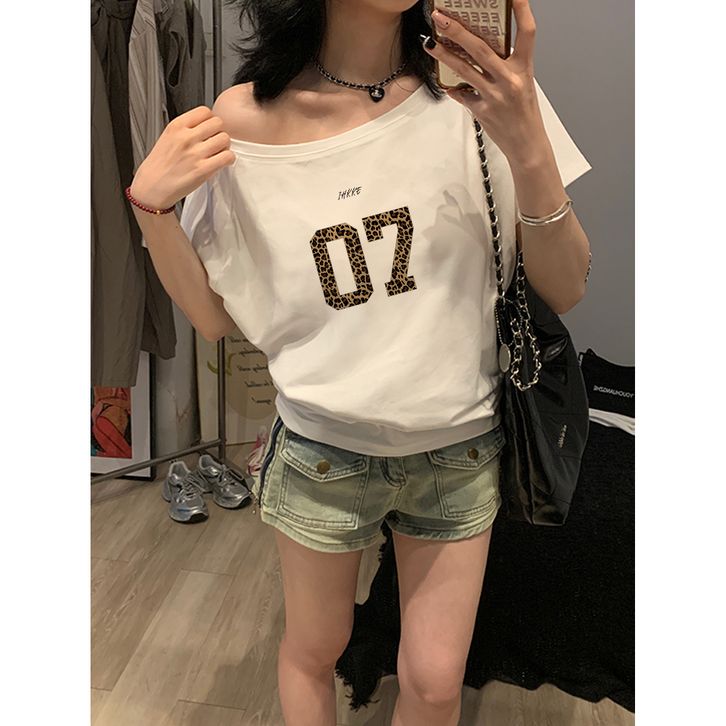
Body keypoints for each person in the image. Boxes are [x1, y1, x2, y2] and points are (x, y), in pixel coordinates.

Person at [128, 2, 592, 724]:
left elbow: (566, 285)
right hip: (322, 450)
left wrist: (528, 139)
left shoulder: (479, 91)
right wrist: (150, 211)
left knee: (436, 682)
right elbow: (214, 318)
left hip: (459, 446)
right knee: (315, 651)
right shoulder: (245, 121)